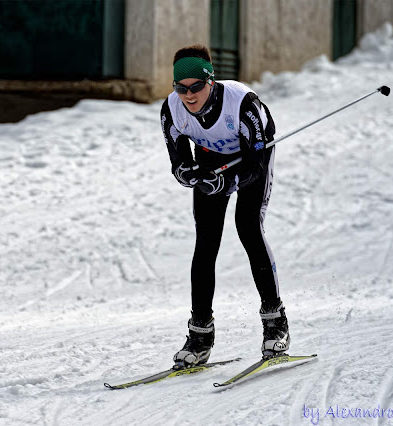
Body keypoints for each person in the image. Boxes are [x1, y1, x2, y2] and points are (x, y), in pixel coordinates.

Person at [160, 44, 290, 367]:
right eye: (181, 87)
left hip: (251, 155)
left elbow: (256, 164)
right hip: (212, 159)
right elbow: (179, 163)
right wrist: (188, 173)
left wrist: (228, 182)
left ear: (211, 81)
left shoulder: (242, 105)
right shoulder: (172, 110)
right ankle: (200, 334)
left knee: (247, 226)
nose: (189, 95)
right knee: (205, 241)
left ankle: (276, 324)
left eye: (196, 87)